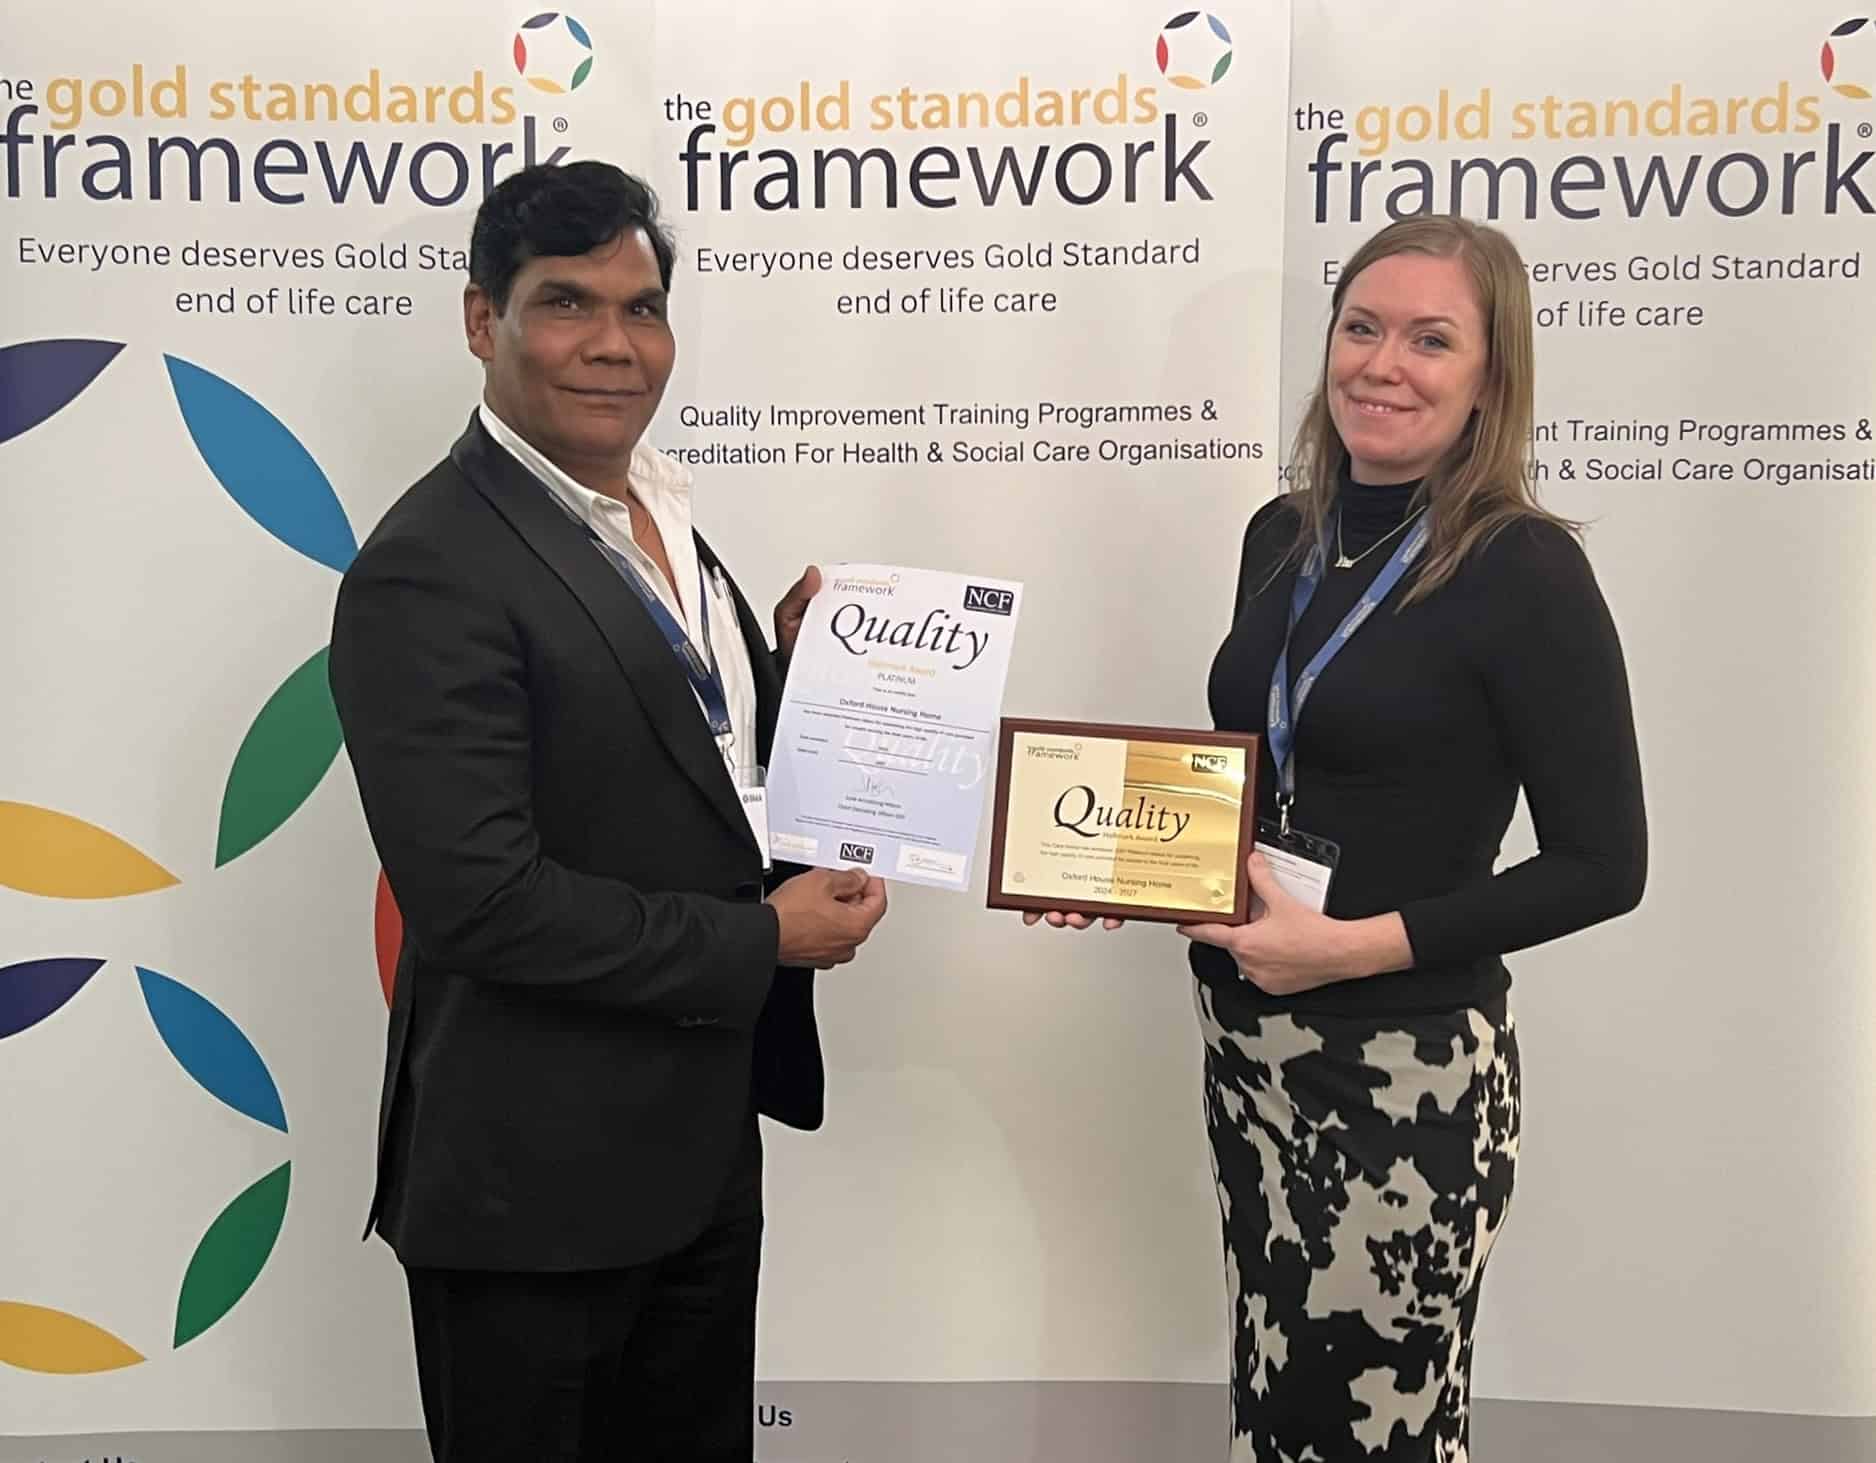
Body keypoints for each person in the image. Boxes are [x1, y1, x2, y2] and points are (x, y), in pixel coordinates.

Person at [1030, 215, 1646, 1461]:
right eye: (1360, 329)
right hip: (1252, 1046)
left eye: (1431, 339)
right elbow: (1274, 772)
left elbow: (1604, 862)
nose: (1382, 364)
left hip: (1402, 1075)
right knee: (1281, 1407)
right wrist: (1121, 864)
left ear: (1490, 375)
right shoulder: (1285, 533)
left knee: (1377, 1429)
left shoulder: (1524, 568)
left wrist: (1350, 948)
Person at [327, 161, 888, 1463]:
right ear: (484, 320)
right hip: (530, 1192)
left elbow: (684, 766)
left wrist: (795, 678)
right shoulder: (431, 564)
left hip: (695, 1153)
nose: (613, 344)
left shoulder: (661, 517)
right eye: (567, 303)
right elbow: (481, 901)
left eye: (642, 309)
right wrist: (765, 940)